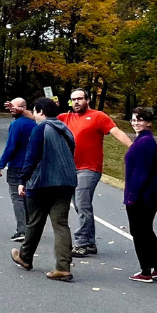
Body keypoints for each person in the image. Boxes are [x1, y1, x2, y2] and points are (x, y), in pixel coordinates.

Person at [11, 97, 79, 281]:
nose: (33, 114)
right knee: (61, 224)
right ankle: (63, 267)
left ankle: (25, 257)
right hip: (66, 182)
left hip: (43, 182)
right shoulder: (66, 129)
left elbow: (32, 156)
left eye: (34, 111)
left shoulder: (40, 129)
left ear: (41, 111)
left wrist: (22, 180)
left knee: (35, 221)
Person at [59, 88, 131, 257]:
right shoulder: (66, 117)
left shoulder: (98, 116)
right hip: (71, 169)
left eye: (79, 99)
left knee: (82, 204)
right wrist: (21, 110)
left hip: (89, 168)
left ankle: (82, 243)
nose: (76, 102)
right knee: (79, 205)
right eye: (73, 100)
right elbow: (39, 117)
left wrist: (134, 148)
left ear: (87, 100)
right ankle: (90, 242)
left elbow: (116, 132)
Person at [123, 106, 157, 280]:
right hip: (149, 194)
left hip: (144, 196)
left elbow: (141, 172)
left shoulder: (144, 142)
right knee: (146, 230)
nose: (136, 123)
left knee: (139, 232)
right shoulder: (144, 140)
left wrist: (132, 197)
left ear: (149, 122)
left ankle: (146, 271)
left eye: (140, 119)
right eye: (134, 120)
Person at [0, 97, 34, 241]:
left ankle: (21, 230)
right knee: (28, 197)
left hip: (17, 165)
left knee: (17, 198)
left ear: (22, 108)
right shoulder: (35, 123)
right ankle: (31, 228)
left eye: (13, 107)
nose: (11, 110)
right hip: (32, 166)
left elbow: (11, 146)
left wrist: (1, 164)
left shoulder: (17, 124)